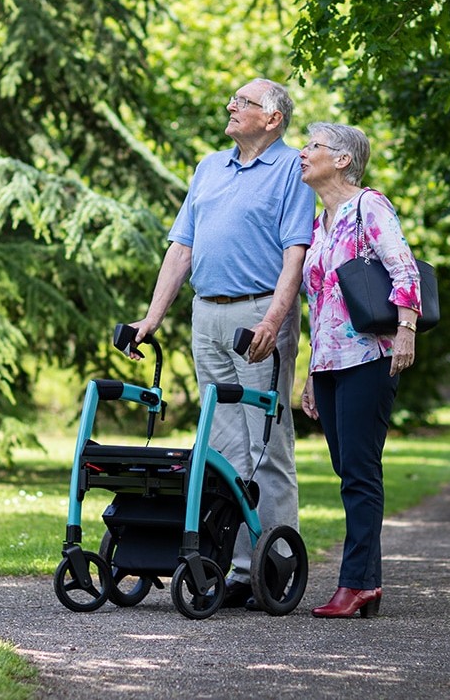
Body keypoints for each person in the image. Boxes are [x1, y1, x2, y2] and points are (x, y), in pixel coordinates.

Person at [126, 78, 313, 609]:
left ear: (273, 119)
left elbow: (295, 255)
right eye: (233, 99)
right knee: (223, 448)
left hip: (258, 314)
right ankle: (235, 568)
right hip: (207, 313)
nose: (231, 106)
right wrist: (152, 317)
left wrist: (275, 322)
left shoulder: (292, 170)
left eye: (245, 102)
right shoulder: (209, 167)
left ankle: (274, 568)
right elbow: (181, 248)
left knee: (267, 447)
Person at [296, 122, 420, 619]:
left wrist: (406, 331)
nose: (303, 154)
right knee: (348, 471)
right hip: (329, 364)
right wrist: (310, 372)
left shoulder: (370, 206)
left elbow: (403, 267)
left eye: (313, 147)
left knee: (360, 473)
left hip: (370, 358)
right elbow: (318, 305)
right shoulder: (317, 224)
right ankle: (366, 581)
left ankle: (356, 584)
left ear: (343, 159)